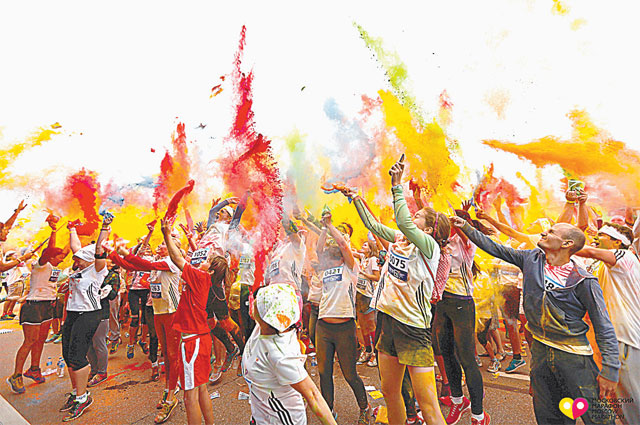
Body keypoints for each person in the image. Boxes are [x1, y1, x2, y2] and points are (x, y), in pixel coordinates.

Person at [450, 216, 620, 424]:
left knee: (599, 418)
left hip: (574, 359)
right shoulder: (531, 259)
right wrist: (466, 227)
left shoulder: (584, 281)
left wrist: (610, 370)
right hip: (540, 355)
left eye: (551, 232)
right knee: (549, 416)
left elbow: (604, 326)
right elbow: (495, 248)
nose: (544, 233)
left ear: (567, 244)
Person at [344, 157, 449, 425]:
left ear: (427, 230)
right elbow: (374, 226)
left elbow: (403, 223)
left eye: (417, 219)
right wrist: (357, 199)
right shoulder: (402, 241)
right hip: (388, 322)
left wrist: (396, 185)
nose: (410, 222)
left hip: (413, 328)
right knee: (391, 393)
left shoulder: (429, 248)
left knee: (428, 405)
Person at [242, 283, 337, 425]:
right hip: (262, 416)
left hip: (281, 420)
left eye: (257, 301)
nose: (253, 301)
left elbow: (313, 395)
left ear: (267, 314)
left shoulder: (280, 355)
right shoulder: (263, 327)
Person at [575, 222, 640, 424]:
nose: (596, 236)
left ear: (617, 241)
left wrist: (563, 242)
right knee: (618, 397)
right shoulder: (609, 265)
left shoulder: (624, 256)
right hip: (614, 338)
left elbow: (589, 252)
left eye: (602, 234)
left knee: (630, 398)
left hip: (624, 337)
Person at [435, 206, 492, 425]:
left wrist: (461, 221)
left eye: (453, 221)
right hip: (442, 303)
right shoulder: (440, 242)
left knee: (467, 359)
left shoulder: (466, 243)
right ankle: (459, 401)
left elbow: (466, 233)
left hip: (462, 304)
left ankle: (479, 415)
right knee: (447, 353)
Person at [315, 210, 370, 424]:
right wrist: (322, 228)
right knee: (323, 372)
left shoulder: (351, 268)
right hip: (323, 327)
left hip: (345, 327)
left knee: (349, 374)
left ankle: (364, 408)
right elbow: (319, 249)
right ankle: (328, 412)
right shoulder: (326, 267)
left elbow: (345, 246)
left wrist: (330, 226)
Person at [161, 214, 215, 425]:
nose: (200, 259)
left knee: (188, 396)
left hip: (193, 342)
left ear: (210, 269)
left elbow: (177, 259)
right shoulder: (201, 276)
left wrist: (166, 234)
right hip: (198, 338)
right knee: (201, 389)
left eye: (207, 260)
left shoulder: (200, 276)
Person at [59, 214, 112, 421]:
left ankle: (83, 397)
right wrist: (71, 229)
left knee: (78, 355)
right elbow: (75, 248)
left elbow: (99, 249)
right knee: (67, 354)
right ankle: (75, 392)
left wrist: (105, 227)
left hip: (89, 313)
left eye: (79, 259)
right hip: (73, 313)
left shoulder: (97, 269)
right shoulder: (81, 268)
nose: (75, 261)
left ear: (90, 259)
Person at [7, 218, 66, 394]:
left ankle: (34, 369)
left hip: (48, 306)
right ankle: (16, 375)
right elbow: (48, 251)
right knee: (30, 341)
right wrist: (53, 231)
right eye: (60, 257)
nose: (62, 260)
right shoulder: (40, 265)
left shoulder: (54, 268)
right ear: (51, 257)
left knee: (40, 340)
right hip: (34, 306)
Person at [86, 258, 119, 387]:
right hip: (86, 310)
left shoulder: (113, 276)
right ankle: (94, 370)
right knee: (88, 342)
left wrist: (105, 290)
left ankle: (101, 372)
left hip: (101, 312)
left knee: (99, 342)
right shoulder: (88, 272)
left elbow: (113, 295)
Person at [355, 240, 380, 367]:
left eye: (365, 245)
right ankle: (367, 350)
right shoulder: (364, 258)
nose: (362, 246)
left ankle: (376, 353)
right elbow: (353, 252)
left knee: (371, 325)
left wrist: (363, 274)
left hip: (368, 295)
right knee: (362, 325)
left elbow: (377, 277)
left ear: (371, 248)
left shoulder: (373, 260)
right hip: (359, 294)